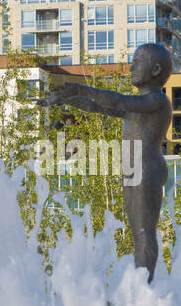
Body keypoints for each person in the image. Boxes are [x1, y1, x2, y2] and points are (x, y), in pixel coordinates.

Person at [38, 43, 173, 282]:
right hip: (133, 169)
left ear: (155, 70)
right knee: (137, 232)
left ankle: (144, 289)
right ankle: (140, 283)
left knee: (144, 231)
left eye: (138, 62)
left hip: (147, 168)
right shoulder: (138, 105)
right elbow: (99, 107)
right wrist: (68, 99)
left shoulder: (157, 100)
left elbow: (118, 101)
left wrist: (82, 88)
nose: (131, 67)